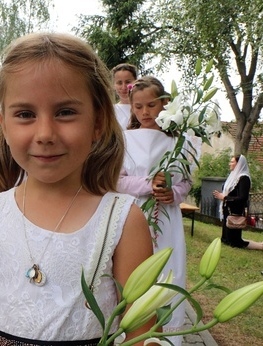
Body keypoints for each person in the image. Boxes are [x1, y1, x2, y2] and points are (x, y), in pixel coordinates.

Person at [0, 32, 154, 345]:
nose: (45, 133)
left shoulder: (123, 221)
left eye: (65, 112)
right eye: (25, 114)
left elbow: (143, 330)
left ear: (98, 122)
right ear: (4, 125)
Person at [117, 76, 192, 346]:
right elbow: (116, 180)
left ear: (165, 104)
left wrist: (173, 193)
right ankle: (129, 333)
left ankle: (165, 337)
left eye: (151, 105)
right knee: (133, 271)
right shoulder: (123, 139)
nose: (145, 112)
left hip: (167, 217)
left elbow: (186, 181)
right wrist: (148, 184)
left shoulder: (178, 141)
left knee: (167, 270)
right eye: (138, 107)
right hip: (133, 214)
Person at [213, 155, 263, 250]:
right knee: (225, 239)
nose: (230, 164)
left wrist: (225, 197)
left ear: (239, 164)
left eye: (232, 162)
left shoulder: (244, 178)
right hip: (227, 210)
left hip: (235, 212)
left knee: (235, 242)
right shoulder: (232, 176)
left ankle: (260, 246)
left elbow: (243, 197)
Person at [111, 63, 138, 130]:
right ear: (114, 85)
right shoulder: (111, 111)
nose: (124, 87)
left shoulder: (144, 108)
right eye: (119, 83)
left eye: (128, 82)